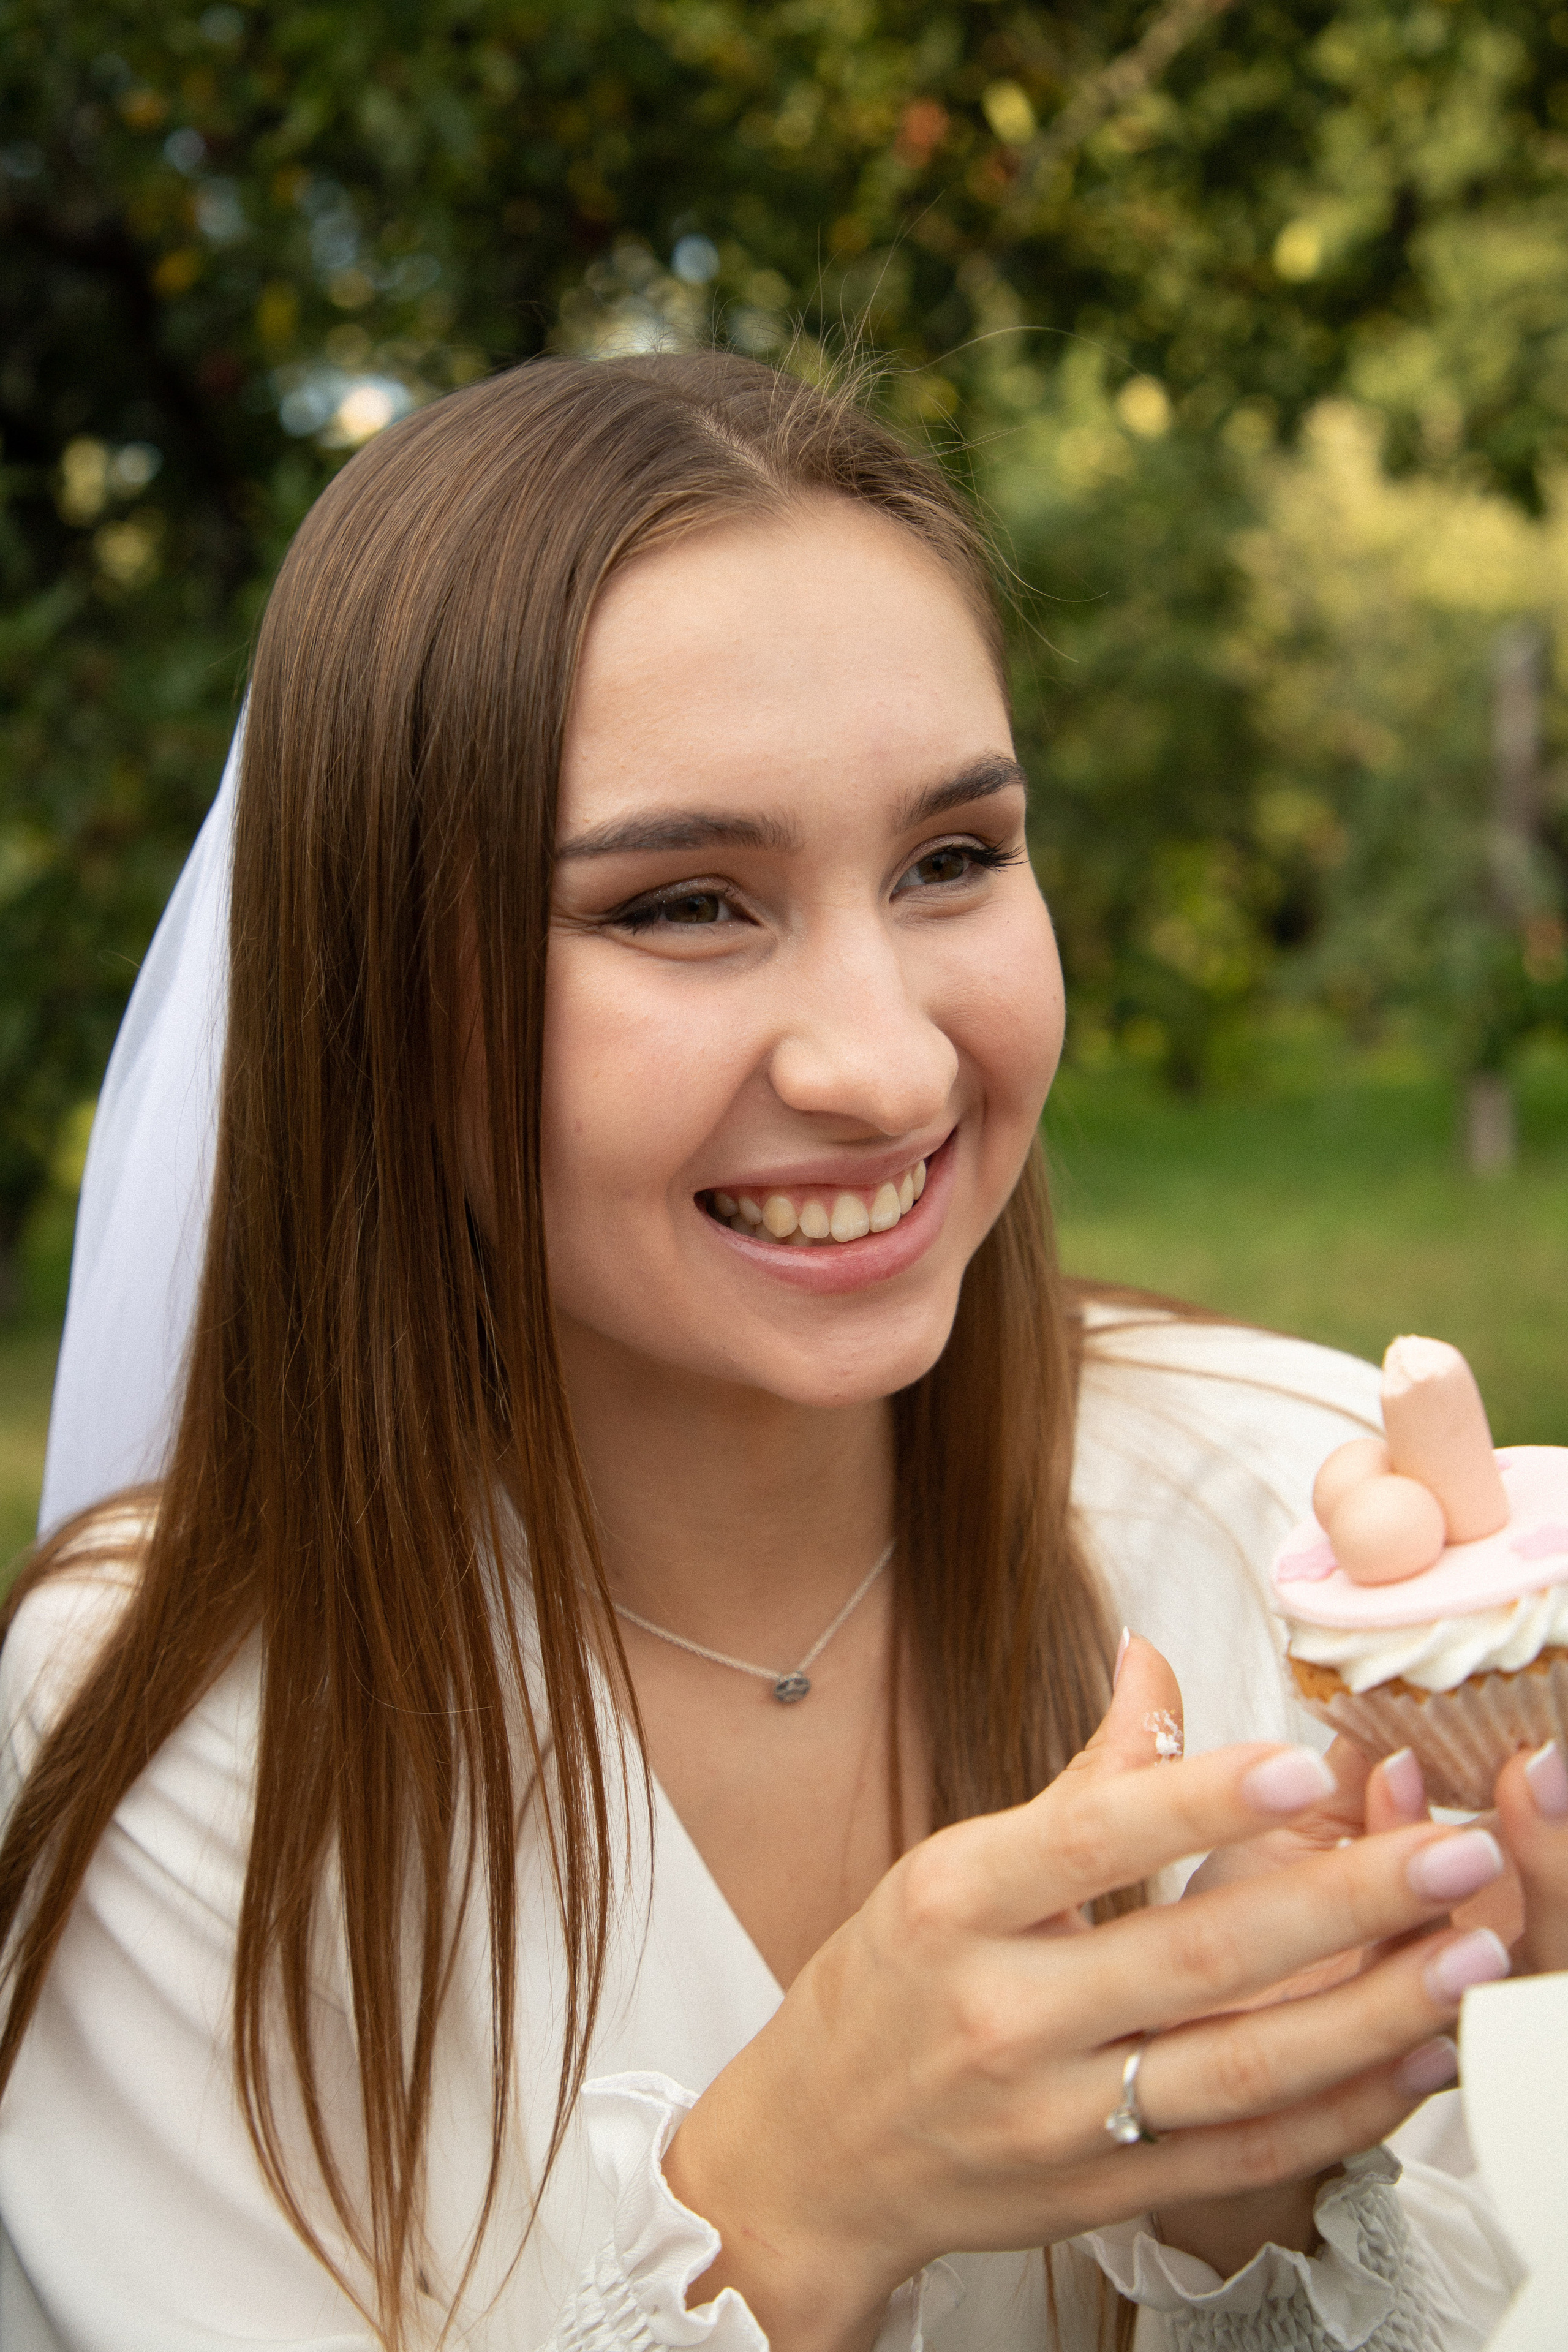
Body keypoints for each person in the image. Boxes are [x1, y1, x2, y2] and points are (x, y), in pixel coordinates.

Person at [0, 353, 1548, 2352]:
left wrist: (1276, 2167)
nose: (889, 1060)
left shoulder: (1300, 1527)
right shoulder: (170, 1732)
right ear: (377, 983)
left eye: (952, 861)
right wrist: (806, 2197)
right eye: (686, 904)